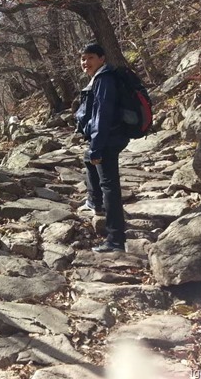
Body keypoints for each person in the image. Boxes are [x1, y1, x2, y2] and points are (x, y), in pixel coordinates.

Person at [74, 43, 129, 252]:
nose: (85, 63)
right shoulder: (100, 77)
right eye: (82, 59)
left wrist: (97, 146)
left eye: (89, 58)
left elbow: (102, 115)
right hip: (110, 135)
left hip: (108, 138)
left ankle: (116, 240)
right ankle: (94, 202)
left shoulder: (104, 80)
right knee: (88, 158)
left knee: (110, 187)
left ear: (102, 58)